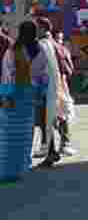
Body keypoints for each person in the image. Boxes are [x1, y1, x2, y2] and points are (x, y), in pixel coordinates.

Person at [0, 21, 48, 179]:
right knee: (25, 134)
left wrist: (5, 96)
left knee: (8, 135)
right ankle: (21, 168)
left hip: (14, 96)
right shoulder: (40, 51)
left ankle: (7, 169)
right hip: (30, 97)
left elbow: (7, 75)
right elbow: (44, 77)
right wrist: (40, 95)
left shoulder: (13, 51)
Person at [33, 18, 74, 166]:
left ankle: (54, 150)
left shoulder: (43, 44)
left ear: (43, 29)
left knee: (48, 119)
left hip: (48, 87)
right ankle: (55, 149)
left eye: (36, 28)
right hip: (57, 85)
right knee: (54, 117)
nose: (35, 31)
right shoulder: (56, 45)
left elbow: (37, 68)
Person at [52, 32, 75, 155]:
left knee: (60, 116)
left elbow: (69, 69)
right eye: (58, 38)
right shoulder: (61, 50)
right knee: (62, 115)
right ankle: (63, 144)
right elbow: (69, 69)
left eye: (60, 39)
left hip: (58, 85)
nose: (59, 41)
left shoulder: (56, 50)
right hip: (59, 85)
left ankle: (60, 144)